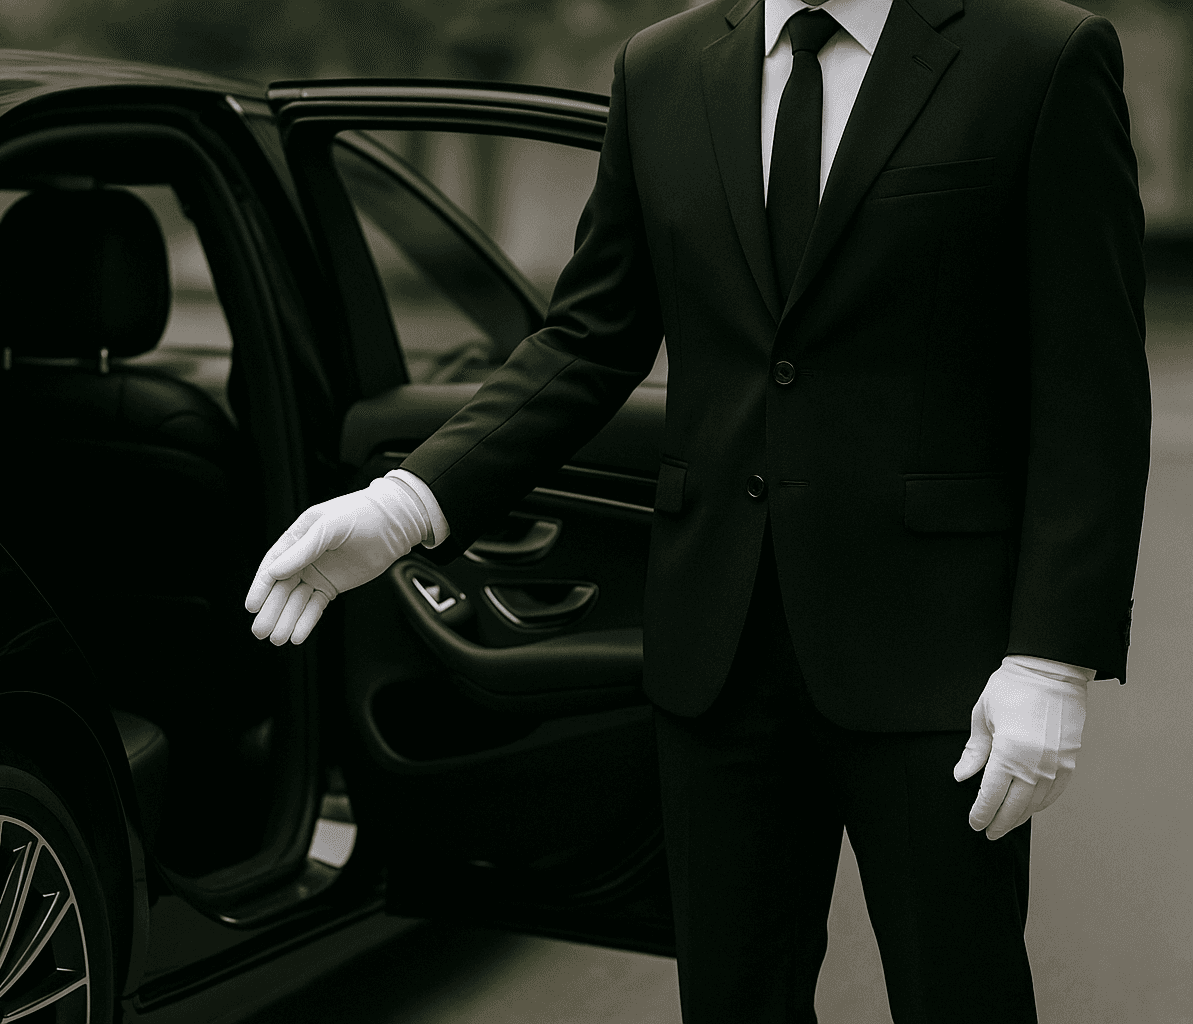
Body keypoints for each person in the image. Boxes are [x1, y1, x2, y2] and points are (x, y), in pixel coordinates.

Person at [245, 0, 1151, 1019]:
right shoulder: (660, 67)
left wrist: (1050, 656)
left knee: (962, 1000)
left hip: (938, 659)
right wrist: (406, 502)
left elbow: (1090, 386)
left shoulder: (1039, 56)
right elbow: (586, 340)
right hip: (717, 659)